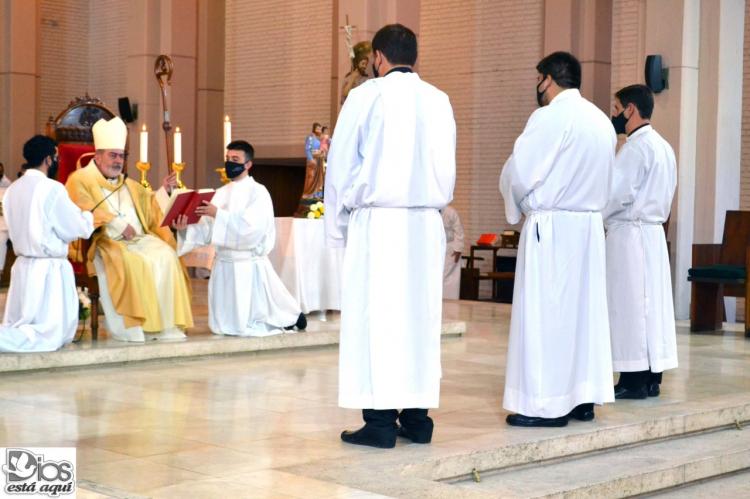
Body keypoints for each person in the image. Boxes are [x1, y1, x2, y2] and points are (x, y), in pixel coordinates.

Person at [326, 23, 456, 448]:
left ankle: (380, 423)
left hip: (378, 222)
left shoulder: (365, 96)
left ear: (378, 58)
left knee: (376, 319)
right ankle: (417, 421)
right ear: (414, 58)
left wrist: (338, 226)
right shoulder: (439, 100)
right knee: (420, 320)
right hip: (424, 222)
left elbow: (341, 166)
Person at [499, 51, 616, 427]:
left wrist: (516, 204)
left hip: (551, 229)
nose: (538, 87)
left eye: (539, 80)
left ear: (548, 79)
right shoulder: (600, 120)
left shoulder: (549, 117)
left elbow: (522, 172)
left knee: (546, 316)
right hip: (588, 229)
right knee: (583, 317)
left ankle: (546, 405)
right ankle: (582, 398)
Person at [66, 116, 193, 342]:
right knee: (134, 262)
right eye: (112, 155)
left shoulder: (127, 183)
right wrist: (116, 223)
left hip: (138, 240)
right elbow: (80, 207)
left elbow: (148, 204)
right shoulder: (80, 179)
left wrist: (163, 192)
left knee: (166, 255)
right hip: (105, 242)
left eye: (121, 156)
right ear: (97, 156)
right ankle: (134, 328)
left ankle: (164, 327)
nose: (118, 161)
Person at [174, 140, 306, 336]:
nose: (230, 163)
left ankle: (291, 318)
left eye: (235, 159)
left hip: (246, 264)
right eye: (227, 159)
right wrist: (185, 228)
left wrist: (218, 214)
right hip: (223, 264)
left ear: (248, 164)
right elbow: (206, 230)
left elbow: (251, 229)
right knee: (223, 327)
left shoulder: (258, 192)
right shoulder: (219, 193)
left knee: (254, 320)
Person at [604, 84, 677, 399]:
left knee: (630, 304)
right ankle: (651, 376)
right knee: (653, 307)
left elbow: (616, 194)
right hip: (653, 234)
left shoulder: (634, 148)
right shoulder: (664, 146)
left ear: (630, 109)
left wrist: (596, 212)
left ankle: (632, 379)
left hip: (630, 235)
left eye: (616, 107)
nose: (614, 114)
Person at [0, 135, 94, 352]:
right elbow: (74, 228)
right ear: (48, 159)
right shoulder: (51, 188)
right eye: (56, 157)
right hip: (47, 271)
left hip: (23, 266)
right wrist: (88, 216)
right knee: (44, 335)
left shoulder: (12, 189)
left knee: (22, 324)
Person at [442, 205, 464, 300]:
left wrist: (458, 249)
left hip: (450, 249)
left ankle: (451, 303)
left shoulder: (450, 212)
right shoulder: (430, 212)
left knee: (449, 279)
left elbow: (459, 231)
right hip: (434, 247)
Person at [302, 123, 324, 200]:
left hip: (319, 161)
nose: (319, 130)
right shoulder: (310, 138)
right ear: (314, 129)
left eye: (320, 129)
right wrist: (310, 159)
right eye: (318, 128)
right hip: (312, 160)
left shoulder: (320, 139)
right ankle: (309, 193)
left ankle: (317, 194)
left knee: (319, 179)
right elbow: (307, 149)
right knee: (311, 177)